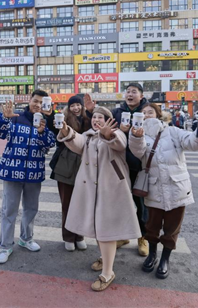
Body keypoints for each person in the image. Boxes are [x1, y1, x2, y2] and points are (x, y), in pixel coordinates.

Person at [57, 107, 141, 291]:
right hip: (91, 190)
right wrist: (66, 131)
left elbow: (119, 144)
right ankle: (105, 258)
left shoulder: (117, 134)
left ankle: (108, 272)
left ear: (109, 121)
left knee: (106, 229)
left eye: (100, 117)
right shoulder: (88, 136)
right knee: (98, 227)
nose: (96, 120)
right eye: (94, 117)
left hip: (111, 190)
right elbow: (76, 141)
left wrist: (107, 134)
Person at [129, 106, 198, 279]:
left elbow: (192, 143)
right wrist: (136, 136)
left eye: (150, 112)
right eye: (142, 113)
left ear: (158, 114)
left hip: (177, 188)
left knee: (172, 228)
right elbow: (138, 152)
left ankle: (165, 259)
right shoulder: (137, 133)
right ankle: (152, 255)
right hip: (153, 189)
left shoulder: (173, 131)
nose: (146, 115)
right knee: (151, 226)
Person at [0, 91, 56, 264]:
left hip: (34, 171)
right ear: (30, 100)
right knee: (9, 209)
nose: (38, 105)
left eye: (42, 103)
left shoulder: (47, 120)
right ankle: (5, 245)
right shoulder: (16, 116)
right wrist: (4, 118)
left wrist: (42, 131)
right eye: (35, 101)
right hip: (12, 170)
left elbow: (50, 143)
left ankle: (26, 239)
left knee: (31, 208)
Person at [85, 83, 149, 256]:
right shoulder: (117, 112)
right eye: (127, 91)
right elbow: (102, 122)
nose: (130, 94)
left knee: (141, 204)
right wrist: (92, 112)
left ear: (141, 96)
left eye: (133, 92)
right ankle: (122, 236)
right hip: (118, 166)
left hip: (139, 165)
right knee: (119, 203)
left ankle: (143, 237)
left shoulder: (147, 111)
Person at [48, 94, 91, 252]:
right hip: (65, 165)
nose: (76, 108)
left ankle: (79, 236)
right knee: (67, 204)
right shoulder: (62, 119)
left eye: (78, 105)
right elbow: (54, 133)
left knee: (82, 204)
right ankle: (68, 237)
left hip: (84, 166)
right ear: (69, 107)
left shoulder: (88, 119)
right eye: (72, 105)